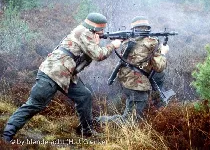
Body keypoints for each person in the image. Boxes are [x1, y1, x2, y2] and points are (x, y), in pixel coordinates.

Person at [2, 12, 122, 142]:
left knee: (84, 96)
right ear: (94, 29)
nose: (102, 32)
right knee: (35, 104)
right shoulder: (84, 32)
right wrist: (113, 45)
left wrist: (97, 42)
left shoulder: (86, 33)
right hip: (52, 72)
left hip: (66, 74)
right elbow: (99, 55)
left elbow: (88, 53)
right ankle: (8, 134)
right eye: (101, 29)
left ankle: (86, 130)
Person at [97, 16, 169, 123]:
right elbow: (159, 67)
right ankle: (99, 122)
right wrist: (163, 52)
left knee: (129, 112)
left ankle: (100, 121)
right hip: (137, 85)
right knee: (130, 121)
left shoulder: (128, 40)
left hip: (127, 81)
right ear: (147, 27)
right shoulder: (151, 43)